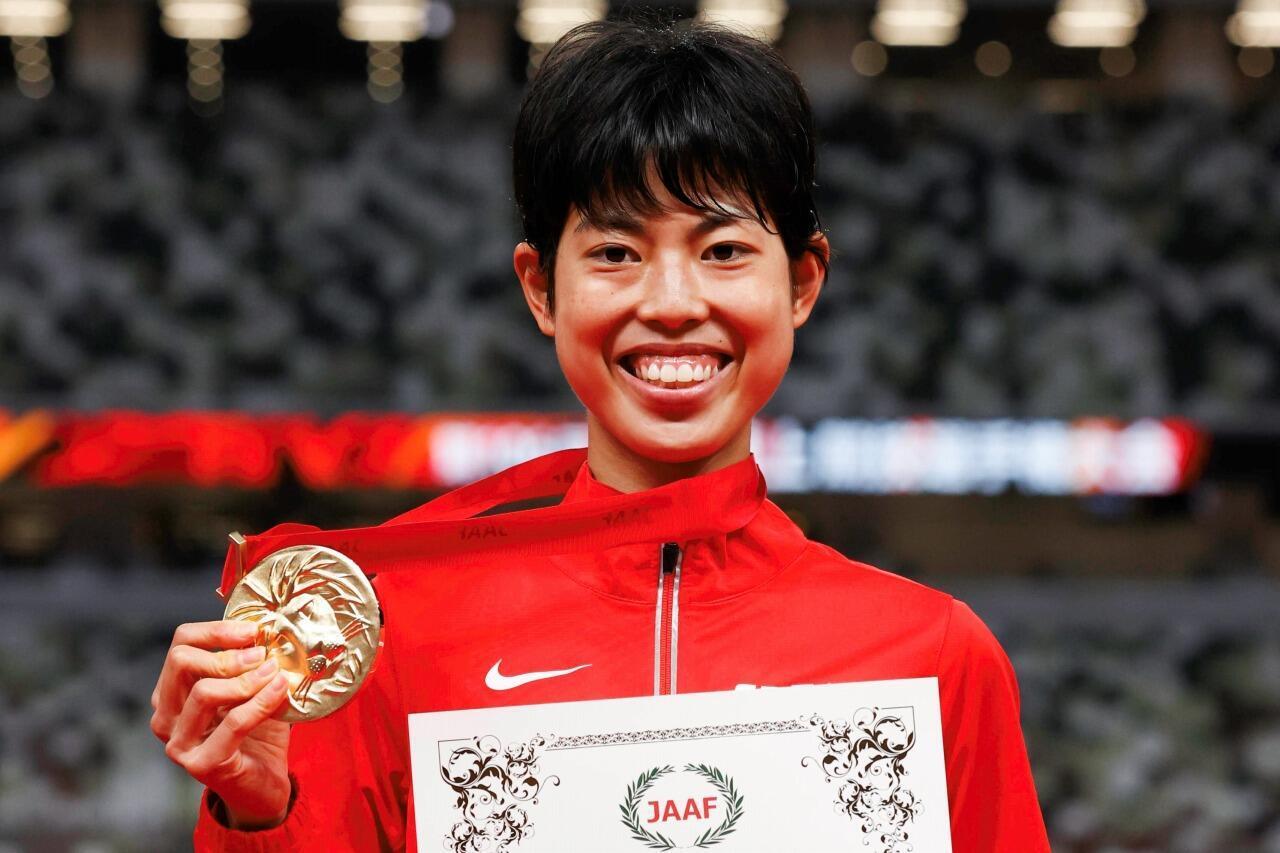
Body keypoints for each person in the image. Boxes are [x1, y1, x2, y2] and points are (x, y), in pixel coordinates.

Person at [150, 18, 1051, 851]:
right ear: (541, 288)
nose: (672, 304)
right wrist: (257, 811)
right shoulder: (397, 643)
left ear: (802, 282)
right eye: (616, 252)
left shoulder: (932, 656)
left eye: (723, 250)